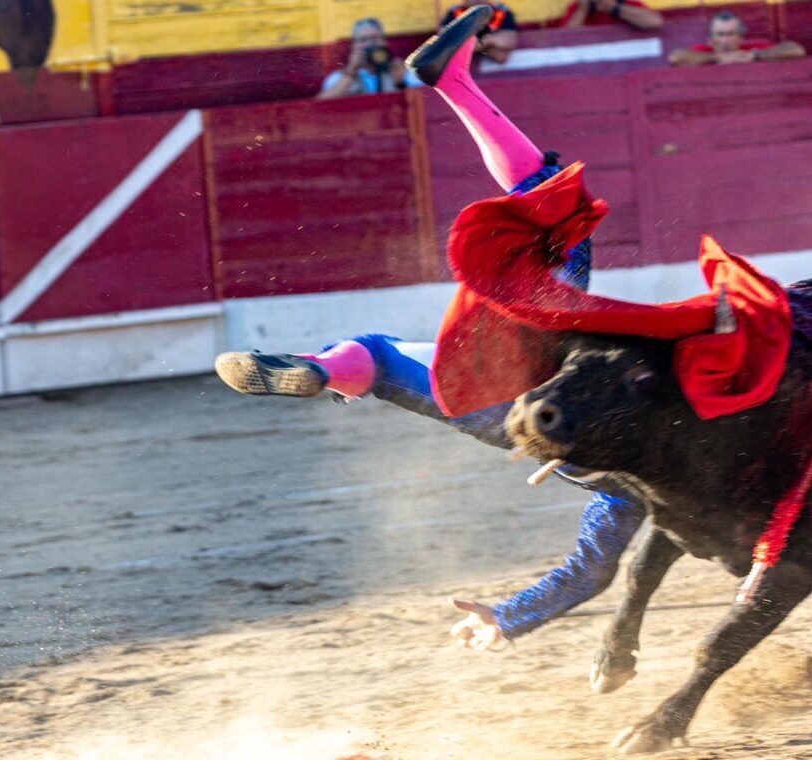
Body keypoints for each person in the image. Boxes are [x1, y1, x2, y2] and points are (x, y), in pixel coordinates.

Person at [217, 6, 646, 651]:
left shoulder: (663, 401)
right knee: (382, 360)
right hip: (506, 416)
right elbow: (593, 570)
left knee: (554, 206)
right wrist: (510, 615)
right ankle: (329, 370)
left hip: (541, 350)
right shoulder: (633, 488)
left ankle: (321, 367)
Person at [318, 18, 423, 99]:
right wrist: (351, 72)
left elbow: (427, 92)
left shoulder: (398, 69)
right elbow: (321, 103)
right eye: (363, 40)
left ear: (384, 42)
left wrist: (404, 78)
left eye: (374, 38)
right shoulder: (341, 76)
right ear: (354, 46)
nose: (370, 44)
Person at [669, 11, 806, 66]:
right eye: (720, 34)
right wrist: (717, 58)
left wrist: (755, 56)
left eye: (730, 34)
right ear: (711, 39)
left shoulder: (752, 48)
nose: (725, 40)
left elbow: (796, 50)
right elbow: (675, 57)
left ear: (740, 38)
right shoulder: (702, 50)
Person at [440, 1, 519, 64]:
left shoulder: (501, 11)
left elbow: (508, 43)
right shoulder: (455, 12)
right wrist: (490, 42)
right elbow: (444, 42)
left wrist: (473, 43)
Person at [554, 0, 663, 30]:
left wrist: (613, 8)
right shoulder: (579, 7)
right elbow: (564, 40)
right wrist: (582, 11)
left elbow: (655, 21)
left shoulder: (625, 3)